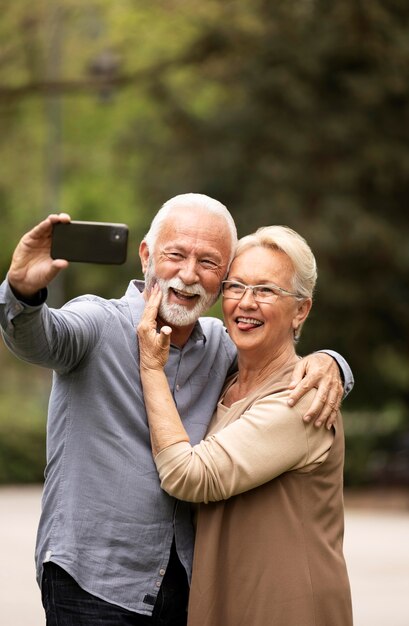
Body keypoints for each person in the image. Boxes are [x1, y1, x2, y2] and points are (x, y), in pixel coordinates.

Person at [0, 194, 353, 625]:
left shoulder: (223, 347)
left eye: (208, 263)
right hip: (94, 585)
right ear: (146, 255)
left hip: (181, 587)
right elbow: (39, 340)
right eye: (176, 255)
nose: (188, 275)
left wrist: (331, 362)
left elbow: (276, 362)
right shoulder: (97, 323)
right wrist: (23, 292)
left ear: (220, 276)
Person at [137, 224, 353, 625]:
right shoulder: (228, 382)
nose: (246, 303)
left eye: (267, 290)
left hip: (287, 609)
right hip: (226, 600)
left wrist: (151, 366)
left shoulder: (301, 398)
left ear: (301, 309)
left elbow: (188, 475)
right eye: (236, 287)